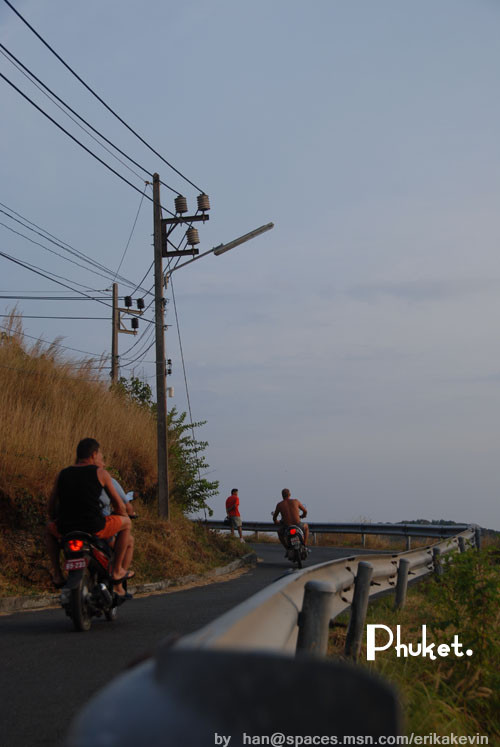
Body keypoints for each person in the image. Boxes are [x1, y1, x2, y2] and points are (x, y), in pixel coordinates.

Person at [45, 438, 134, 597]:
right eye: (100, 455)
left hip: (66, 528)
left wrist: (54, 519)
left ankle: (57, 574)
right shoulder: (101, 473)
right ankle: (117, 570)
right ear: (93, 454)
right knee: (126, 523)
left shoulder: (62, 474)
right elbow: (119, 505)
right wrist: (121, 513)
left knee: (48, 528)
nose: (101, 459)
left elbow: (51, 505)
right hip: (94, 527)